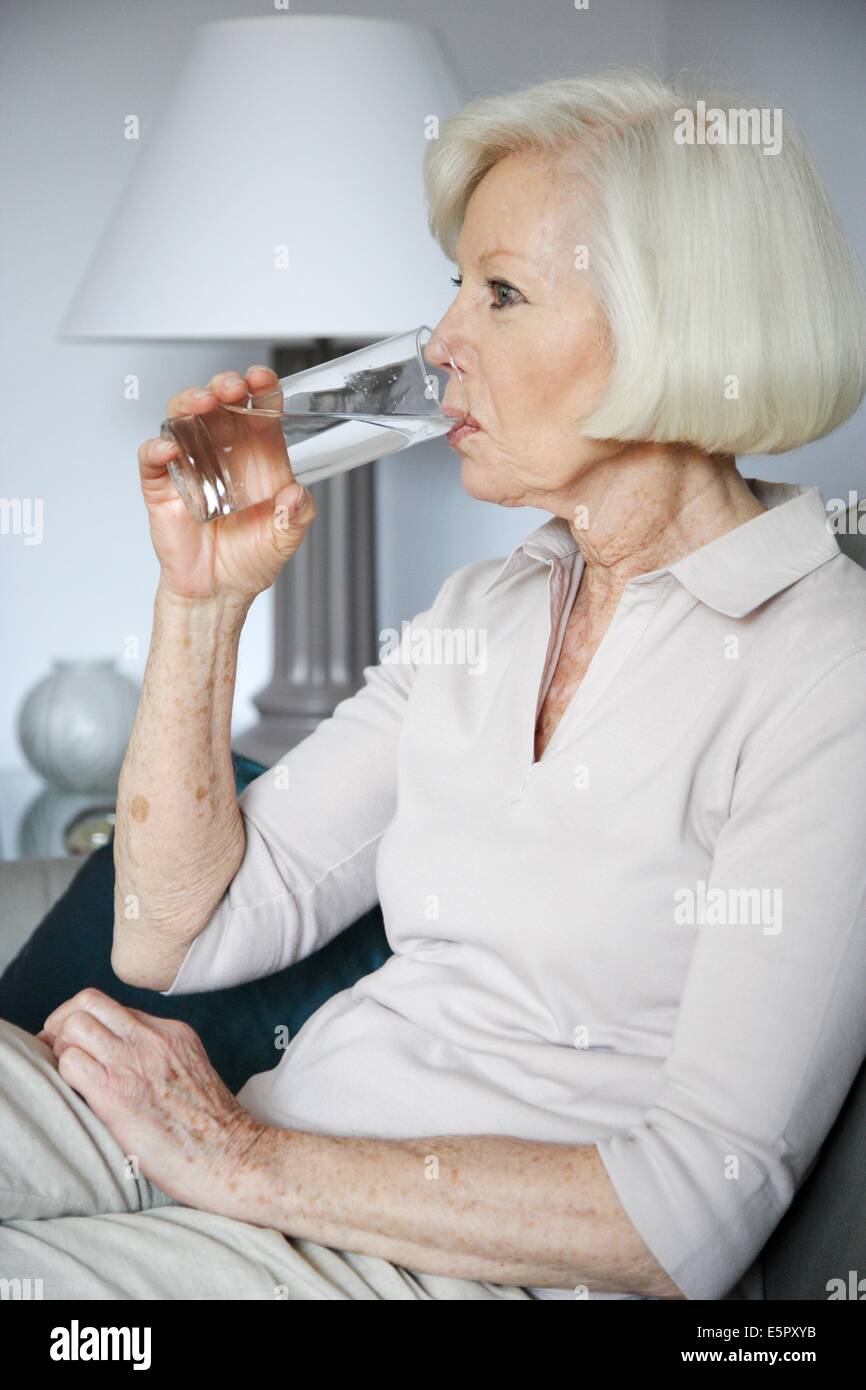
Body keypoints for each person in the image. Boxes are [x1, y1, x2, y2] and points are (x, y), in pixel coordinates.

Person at [2, 65, 865, 1301]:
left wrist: (239, 1156)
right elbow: (172, 935)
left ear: (679, 321)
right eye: (453, 288)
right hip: (249, 1162)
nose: (437, 344)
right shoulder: (491, 607)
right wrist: (203, 603)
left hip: (410, 1258)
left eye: (499, 293)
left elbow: (692, 1210)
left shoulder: (822, 667)